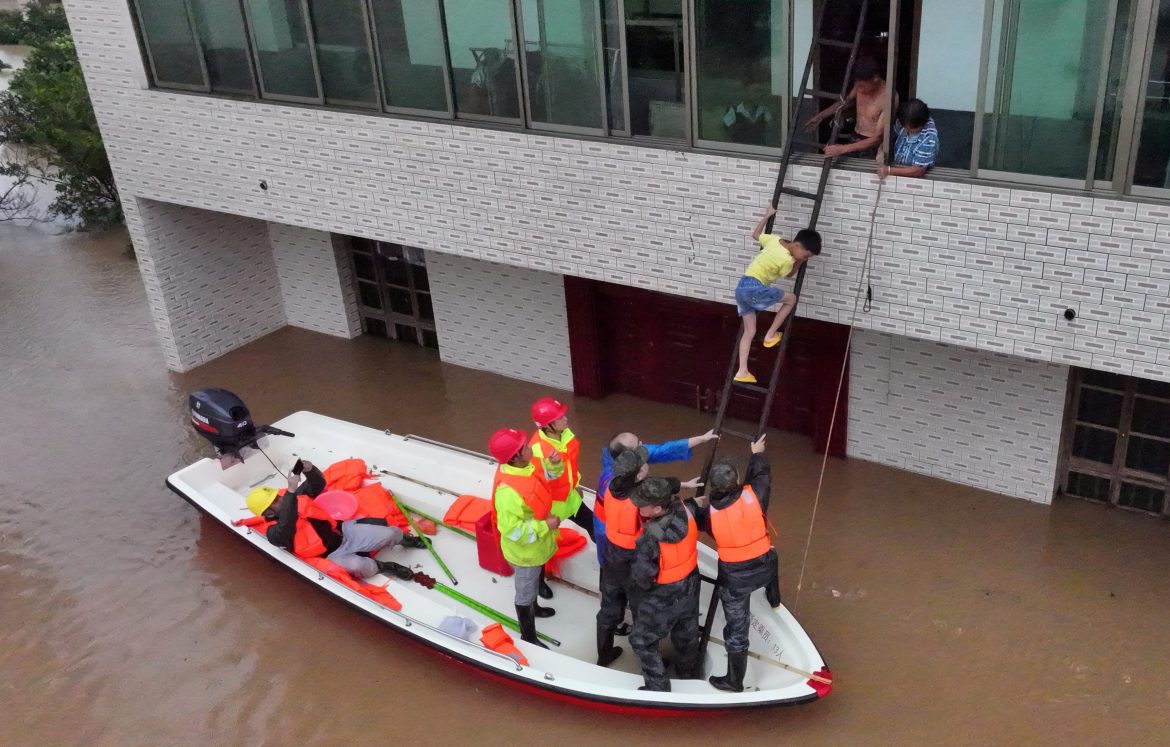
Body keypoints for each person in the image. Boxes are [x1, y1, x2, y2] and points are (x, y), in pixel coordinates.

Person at [595, 449, 703, 667]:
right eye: (642, 466)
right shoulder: (641, 504)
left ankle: (604, 654)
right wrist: (689, 495)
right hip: (633, 561)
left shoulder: (610, 487)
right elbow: (663, 490)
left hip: (611, 557)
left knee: (608, 610)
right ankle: (647, 660)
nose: (646, 467)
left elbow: (664, 484)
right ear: (637, 477)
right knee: (641, 613)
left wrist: (680, 483)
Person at [692, 435, 781, 693]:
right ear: (737, 481)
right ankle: (774, 597)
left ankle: (734, 681)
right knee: (773, 556)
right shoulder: (755, 496)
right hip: (764, 563)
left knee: (737, 630)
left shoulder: (708, 513)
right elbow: (763, 474)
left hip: (735, 578)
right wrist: (756, 453)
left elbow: (695, 520)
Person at [241, 459, 425, 579]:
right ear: (269, 514)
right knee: (360, 566)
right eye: (275, 501)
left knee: (390, 532)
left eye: (279, 495)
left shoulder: (295, 498)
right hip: (332, 554)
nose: (281, 497)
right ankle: (386, 566)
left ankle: (409, 541)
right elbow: (288, 523)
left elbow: (318, 484)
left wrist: (310, 469)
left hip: (344, 533)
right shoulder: (275, 534)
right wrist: (290, 492)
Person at [594, 428, 719, 562]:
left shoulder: (623, 462)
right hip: (609, 530)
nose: (643, 445)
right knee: (612, 563)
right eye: (639, 445)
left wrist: (701, 439)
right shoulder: (615, 486)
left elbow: (661, 450)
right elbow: (652, 497)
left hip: (626, 526)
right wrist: (691, 504)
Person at [629, 477, 704, 691]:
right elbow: (689, 502)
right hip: (691, 581)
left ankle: (658, 687)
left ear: (657, 509)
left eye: (643, 505)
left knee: (641, 640)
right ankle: (687, 673)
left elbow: (642, 576)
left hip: (665, 592)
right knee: (686, 631)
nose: (638, 506)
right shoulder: (686, 510)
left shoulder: (648, 540)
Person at [733, 205, 822, 383]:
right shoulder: (787, 261)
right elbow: (789, 274)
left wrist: (767, 216)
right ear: (797, 245)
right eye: (805, 255)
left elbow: (756, 235)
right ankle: (770, 335)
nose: (804, 259)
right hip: (754, 288)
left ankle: (742, 371)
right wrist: (798, 262)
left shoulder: (774, 240)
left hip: (741, 287)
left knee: (749, 331)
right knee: (791, 299)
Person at [488, 427, 560, 648]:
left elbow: (550, 477)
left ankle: (536, 608)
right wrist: (545, 526)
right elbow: (513, 531)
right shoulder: (507, 493)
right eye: (526, 446)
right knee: (524, 594)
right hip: (525, 553)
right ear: (516, 456)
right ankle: (528, 635)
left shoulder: (530, 464)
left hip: (538, 546)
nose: (531, 446)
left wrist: (554, 464)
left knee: (536, 575)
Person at [529, 396, 595, 541]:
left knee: (595, 526)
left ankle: (607, 559)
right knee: (544, 543)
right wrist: (543, 517)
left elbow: (572, 467)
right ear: (547, 426)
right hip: (551, 506)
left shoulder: (565, 435)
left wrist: (576, 486)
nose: (565, 419)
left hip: (570, 498)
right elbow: (536, 484)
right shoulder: (538, 450)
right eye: (559, 417)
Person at [802, 56, 890, 160]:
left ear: (875, 78)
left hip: (872, 146)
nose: (859, 90)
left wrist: (843, 149)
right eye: (857, 86)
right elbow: (845, 102)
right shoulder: (859, 86)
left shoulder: (887, 98)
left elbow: (877, 138)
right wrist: (821, 116)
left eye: (862, 86)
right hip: (855, 136)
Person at [879, 98, 939, 179]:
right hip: (898, 165)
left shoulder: (929, 138)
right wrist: (881, 149)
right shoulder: (904, 120)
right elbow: (890, 137)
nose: (906, 130)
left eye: (910, 129)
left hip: (914, 179)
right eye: (905, 127)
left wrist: (889, 170)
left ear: (922, 124)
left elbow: (919, 170)